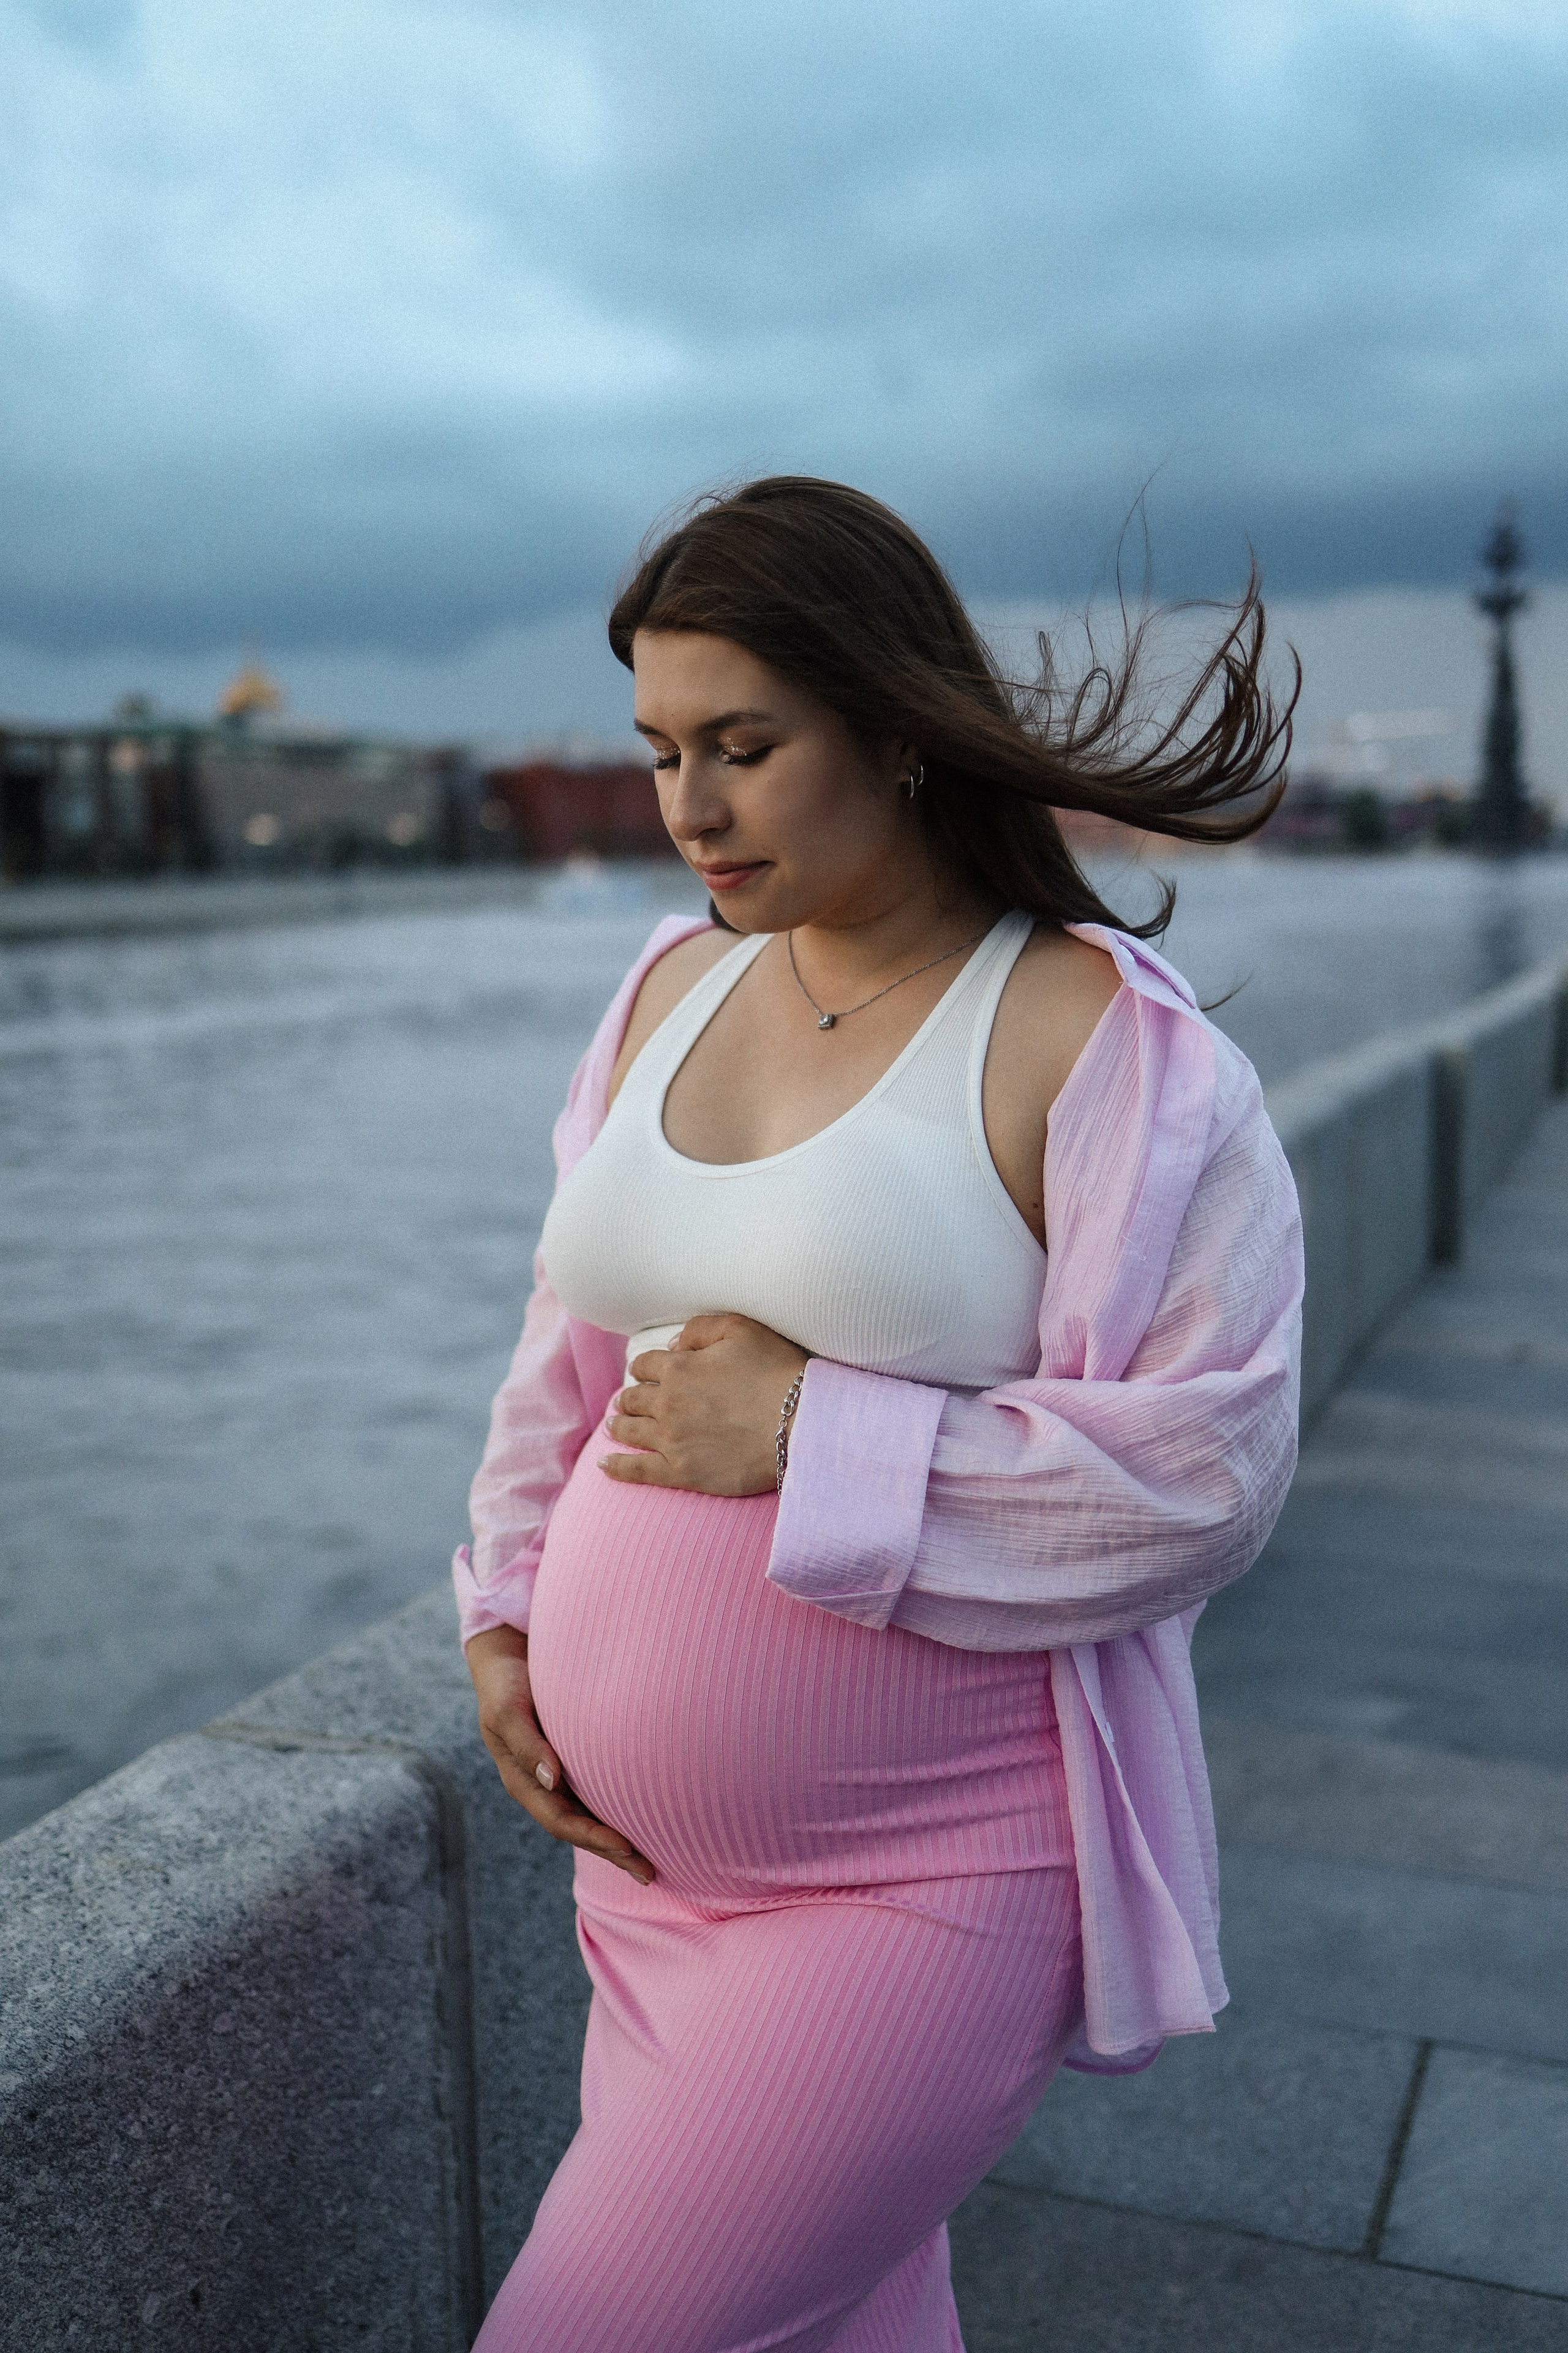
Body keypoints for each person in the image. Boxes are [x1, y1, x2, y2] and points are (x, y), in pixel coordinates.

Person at [454, 477, 1303, 2352]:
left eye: (744, 745)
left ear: (900, 728)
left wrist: (817, 1433)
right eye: (663, 748)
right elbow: (570, 1348)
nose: (689, 806)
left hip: (924, 1880)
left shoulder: (1104, 1042)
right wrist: (507, 1607)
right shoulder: (666, 986)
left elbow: (1210, 1475)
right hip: (652, 1890)